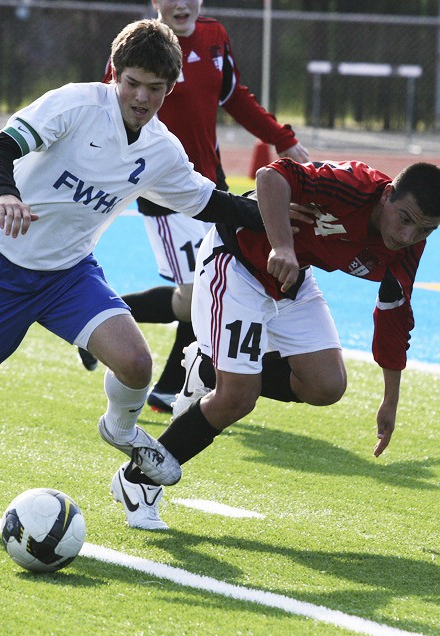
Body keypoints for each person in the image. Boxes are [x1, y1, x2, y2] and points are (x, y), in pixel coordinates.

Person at [0, 18, 264, 518]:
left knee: (136, 364)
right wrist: (8, 195)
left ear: (170, 89)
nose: (140, 97)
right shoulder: (76, 104)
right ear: (114, 74)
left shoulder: (160, 149)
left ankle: (122, 429)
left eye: (155, 88)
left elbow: (208, 202)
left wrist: (282, 216)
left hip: (68, 274)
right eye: (132, 83)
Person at [108, 158, 440, 529]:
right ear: (387, 196)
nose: (407, 237)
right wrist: (283, 245)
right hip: (237, 260)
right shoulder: (354, 184)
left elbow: (395, 314)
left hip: (291, 280)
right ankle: (136, 481)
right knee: (237, 398)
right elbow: (270, 176)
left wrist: (391, 400)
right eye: (405, 219)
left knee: (326, 385)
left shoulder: (409, 243)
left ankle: (209, 369)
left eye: (424, 231)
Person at [78, 0, 309, 414]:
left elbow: (236, 98)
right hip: (162, 192)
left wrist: (283, 137)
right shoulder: (138, 47)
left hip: (210, 188)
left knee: (196, 297)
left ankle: (101, 325)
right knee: (198, 295)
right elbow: (106, 115)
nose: (181, 3)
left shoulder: (215, 37)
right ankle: (170, 387)